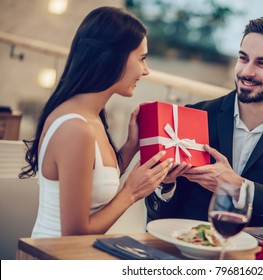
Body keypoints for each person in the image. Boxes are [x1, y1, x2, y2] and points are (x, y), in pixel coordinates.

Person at [146, 15, 263, 226]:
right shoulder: (195, 115)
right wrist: (166, 184)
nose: (246, 71)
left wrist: (241, 188)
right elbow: (159, 216)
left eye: (262, 63)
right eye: (243, 58)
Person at [19, 6, 173, 237]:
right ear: (114, 57)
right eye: (141, 59)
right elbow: (74, 234)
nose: (146, 70)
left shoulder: (91, 116)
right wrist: (130, 192)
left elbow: (93, 184)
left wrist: (131, 146)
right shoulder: (75, 128)